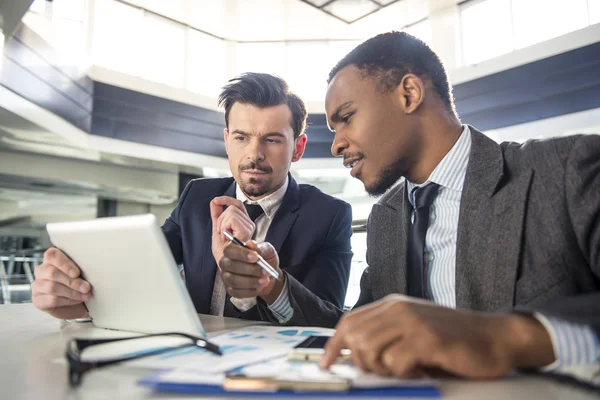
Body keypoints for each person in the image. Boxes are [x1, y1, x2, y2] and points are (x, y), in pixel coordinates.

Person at [223, 32, 600, 376]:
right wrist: (272, 286)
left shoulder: (565, 170)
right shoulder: (386, 218)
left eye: (347, 118)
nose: (336, 144)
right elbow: (357, 330)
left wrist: (506, 338)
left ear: (409, 94)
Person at [32, 73, 353, 325]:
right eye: (241, 137)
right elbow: (141, 268)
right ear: (228, 141)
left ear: (297, 147)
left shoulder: (329, 215)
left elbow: (327, 321)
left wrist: (270, 284)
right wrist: (76, 294)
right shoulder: (197, 197)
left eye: (271, 139)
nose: (254, 154)